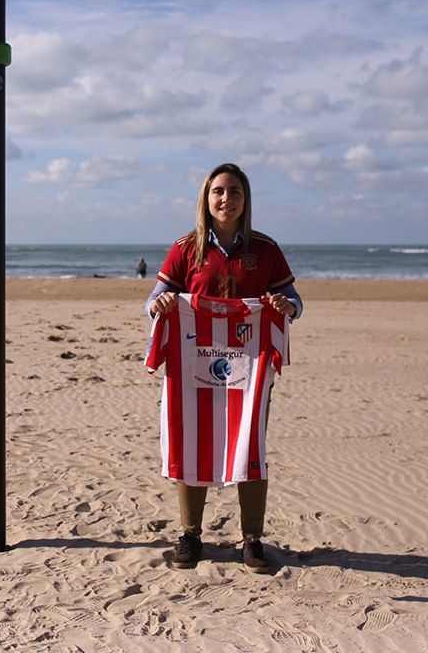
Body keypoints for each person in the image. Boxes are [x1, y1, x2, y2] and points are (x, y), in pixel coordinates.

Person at [145, 163, 302, 572]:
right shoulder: (186, 248)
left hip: (249, 371)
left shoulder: (265, 249)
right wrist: (160, 303)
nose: (226, 199)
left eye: (234, 191)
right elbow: (155, 299)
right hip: (193, 366)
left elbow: (293, 299)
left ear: (245, 199)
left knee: (250, 443)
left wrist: (287, 306)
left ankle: (252, 538)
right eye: (218, 191)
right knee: (192, 440)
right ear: (206, 197)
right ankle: (190, 533)